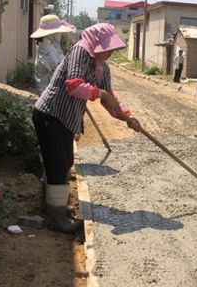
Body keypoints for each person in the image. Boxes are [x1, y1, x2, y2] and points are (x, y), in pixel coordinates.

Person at [33, 23, 141, 233]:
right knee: (57, 165)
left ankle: (51, 205)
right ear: (95, 44)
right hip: (49, 115)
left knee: (66, 163)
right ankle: (55, 217)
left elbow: (110, 99)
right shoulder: (80, 51)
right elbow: (73, 85)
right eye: (107, 48)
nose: (110, 52)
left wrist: (127, 117)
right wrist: (100, 93)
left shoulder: (102, 68)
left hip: (64, 120)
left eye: (111, 48)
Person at [30, 14, 76, 94]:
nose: (59, 34)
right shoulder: (46, 50)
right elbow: (61, 70)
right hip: (49, 96)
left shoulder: (51, 46)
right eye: (57, 32)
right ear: (51, 34)